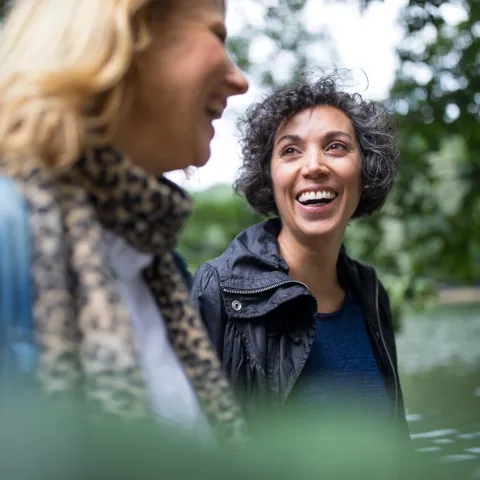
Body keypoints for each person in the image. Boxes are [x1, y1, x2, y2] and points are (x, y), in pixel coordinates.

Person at [0, 0, 248, 441]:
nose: (239, 80)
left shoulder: (158, 268)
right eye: (217, 35)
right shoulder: (9, 231)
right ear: (126, 32)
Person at [191, 76, 409, 437]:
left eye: (336, 147)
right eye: (290, 150)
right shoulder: (220, 290)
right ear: (269, 177)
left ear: (364, 172)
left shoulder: (370, 292)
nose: (313, 166)